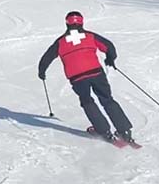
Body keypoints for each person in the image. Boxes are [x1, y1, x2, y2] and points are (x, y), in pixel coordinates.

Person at [37, 11, 136, 145]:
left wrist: (42, 71)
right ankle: (124, 131)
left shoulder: (60, 42)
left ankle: (103, 130)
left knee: (87, 101)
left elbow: (46, 58)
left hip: (77, 77)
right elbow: (109, 47)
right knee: (107, 99)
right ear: (82, 22)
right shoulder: (90, 36)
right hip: (96, 73)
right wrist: (110, 59)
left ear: (67, 23)